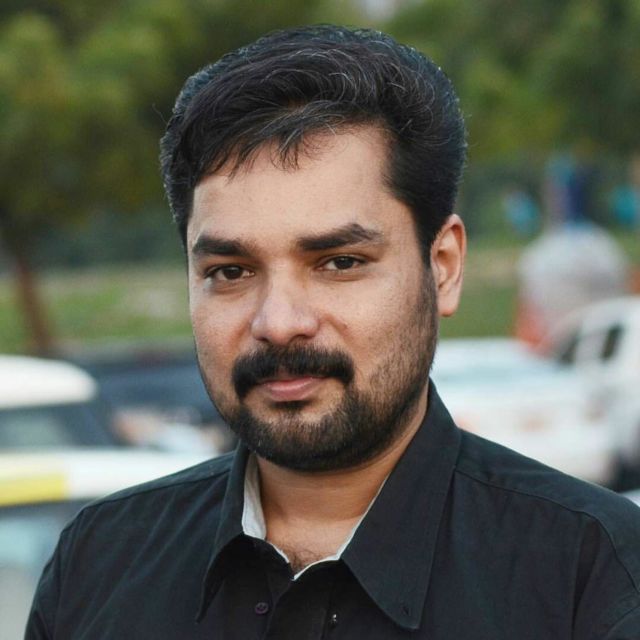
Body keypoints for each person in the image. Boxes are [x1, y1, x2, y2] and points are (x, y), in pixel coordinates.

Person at [26, 26, 640, 639]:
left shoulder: (593, 576)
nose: (279, 323)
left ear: (443, 268)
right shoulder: (98, 566)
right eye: (231, 271)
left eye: (340, 262)